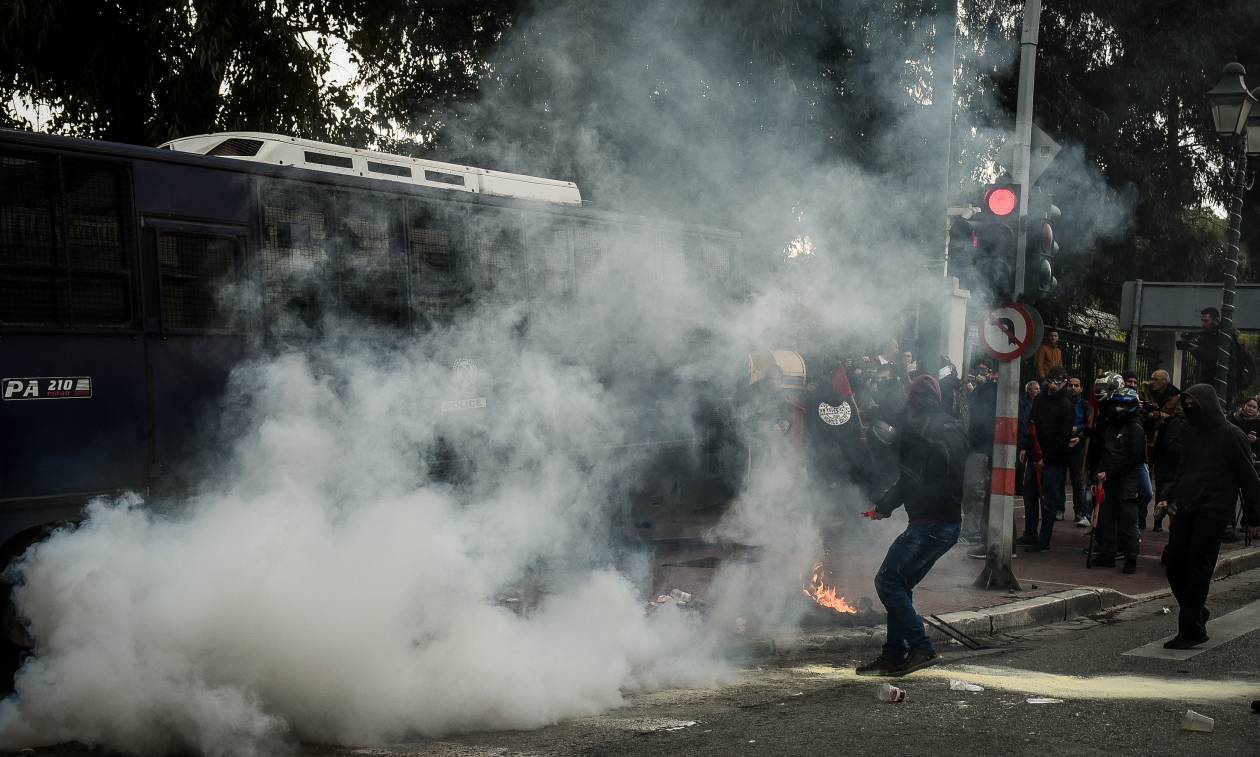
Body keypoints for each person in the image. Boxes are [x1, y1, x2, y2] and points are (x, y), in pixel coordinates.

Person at [857, 375, 966, 676]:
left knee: (887, 581)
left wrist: (882, 508)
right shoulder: (954, 425)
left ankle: (921, 647)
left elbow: (910, 479)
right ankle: (893, 655)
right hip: (949, 522)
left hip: (928, 523)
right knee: (900, 584)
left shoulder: (917, 429)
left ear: (913, 399)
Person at [1158, 384, 1260, 649]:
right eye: (1186, 403)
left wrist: (1253, 519)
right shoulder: (1192, 434)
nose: (1190, 409)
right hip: (1188, 507)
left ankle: (1191, 629)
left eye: (1195, 404)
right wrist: (1169, 495)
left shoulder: (1232, 435)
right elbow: (1184, 470)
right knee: (1173, 562)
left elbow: (1249, 479)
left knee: (1198, 566)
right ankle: (1196, 611)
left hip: (1214, 512)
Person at [1092, 388, 1146, 573]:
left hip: (1126, 482)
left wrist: (1111, 472)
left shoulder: (1135, 428)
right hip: (1108, 480)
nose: (1118, 409)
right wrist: (1098, 473)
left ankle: (1131, 559)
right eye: (1116, 404)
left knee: (1127, 522)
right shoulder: (1111, 426)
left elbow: (1134, 458)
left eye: (1123, 405)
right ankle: (1108, 555)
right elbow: (1104, 454)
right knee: (1106, 519)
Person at [1021, 370, 1076, 552]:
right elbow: (1031, 424)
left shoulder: (1066, 405)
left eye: (1058, 380)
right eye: (1051, 379)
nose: (1053, 384)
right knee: (1029, 497)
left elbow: (1063, 437)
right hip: (1034, 457)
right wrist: (1027, 448)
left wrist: (1046, 459)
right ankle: (1030, 533)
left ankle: (1044, 539)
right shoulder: (1040, 400)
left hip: (1052, 461)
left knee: (1048, 501)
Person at [960, 361, 997, 549]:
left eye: (984, 371)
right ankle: (973, 530)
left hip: (982, 448)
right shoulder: (978, 391)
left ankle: (973, 531)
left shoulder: (990, 391)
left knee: (976, 490)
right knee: (972, 490)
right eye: (978, 371)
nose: (980, 374)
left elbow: (985, 421)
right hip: (974, 447)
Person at [1179, 307, 1254, 395]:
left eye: (1206, 321)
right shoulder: (1207, 335)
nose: (1203, 324)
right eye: (1202, 320)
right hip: (1209, 379)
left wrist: (1197, 350)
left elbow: (1219, 358)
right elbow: (1204, 356)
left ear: (1215, 320)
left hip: (1224, 381)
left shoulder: (1225, 336)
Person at [1067, 376, 1091, 526]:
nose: (1073, 388)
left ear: (1081, 388)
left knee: (1077, 480)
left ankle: (1079, 511)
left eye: (1076, 385)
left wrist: (1078, 430)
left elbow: (1088, 424)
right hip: (1062, 442)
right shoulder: (1063, 402)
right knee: (1057, 478)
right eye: (1071, 385)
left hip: (1077, 443)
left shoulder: (1084, 404)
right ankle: (1058, 509)